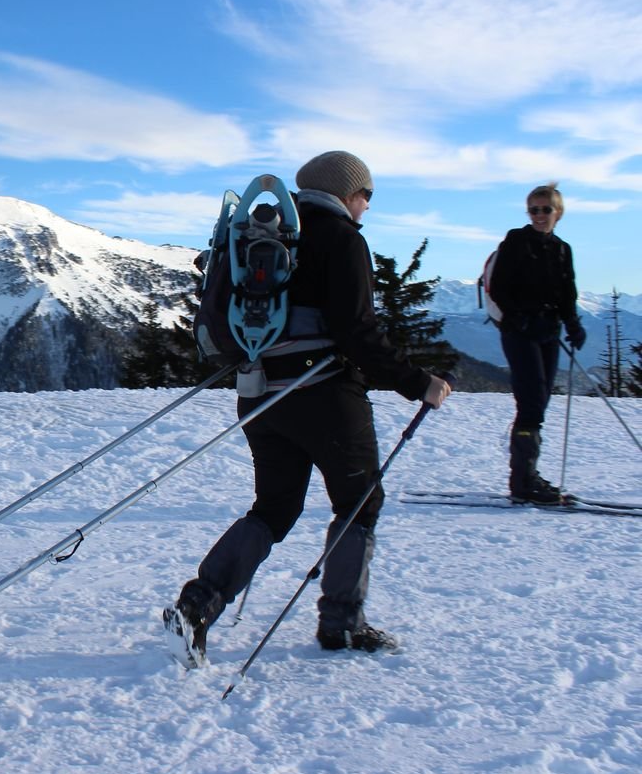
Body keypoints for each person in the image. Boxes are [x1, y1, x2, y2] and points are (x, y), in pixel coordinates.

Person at [166, 151, 451, 668]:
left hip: (259, 394)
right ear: (346, 193)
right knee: (359, 502)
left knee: (275, 507)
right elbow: (357, 333)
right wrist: (419, 383)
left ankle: (199, 604)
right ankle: (342, 625)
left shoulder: (261, 235)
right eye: (366, 193)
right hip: (324, 395)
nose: (367, 204)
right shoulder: (342, 239)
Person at [488, 183, 585, 504]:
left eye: (546, 209)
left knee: (539, 402)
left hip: (547, 331)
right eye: (534, 209)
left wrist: (572, 324)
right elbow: (500, 287)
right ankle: (523, 481)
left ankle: (526, 477)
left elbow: (566, 292)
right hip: (519, 332)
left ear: (559, 213)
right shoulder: (516, 241)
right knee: (531, 404)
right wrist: (519, 319)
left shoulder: (561, 249)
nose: (539, 215)